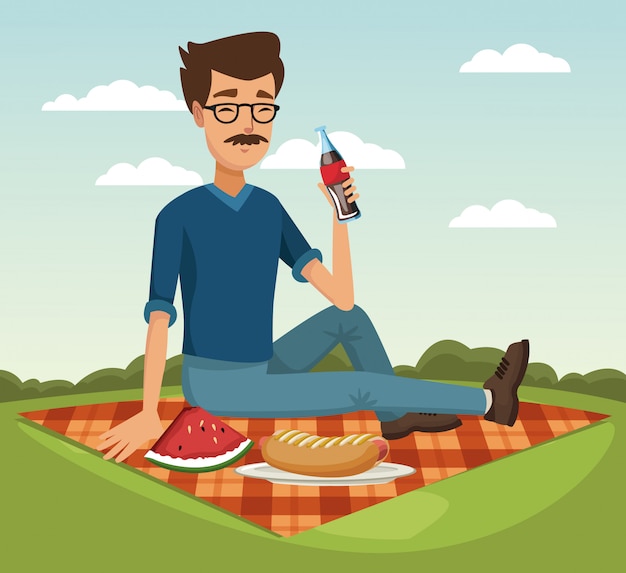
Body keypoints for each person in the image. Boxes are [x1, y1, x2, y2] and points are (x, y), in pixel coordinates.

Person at [98, 32, 529, 463]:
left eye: (262, 108)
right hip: (218, 385)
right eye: (228, 108)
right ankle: (491, 402)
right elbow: (159, 317)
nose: (248, 124)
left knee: (351, 320)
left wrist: (338, 215)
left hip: (265, 365)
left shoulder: (269, 208)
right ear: (198, 113)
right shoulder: (177, 215)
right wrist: (148, 411)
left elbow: (343, 300)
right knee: (364, 386)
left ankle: (396, 416)